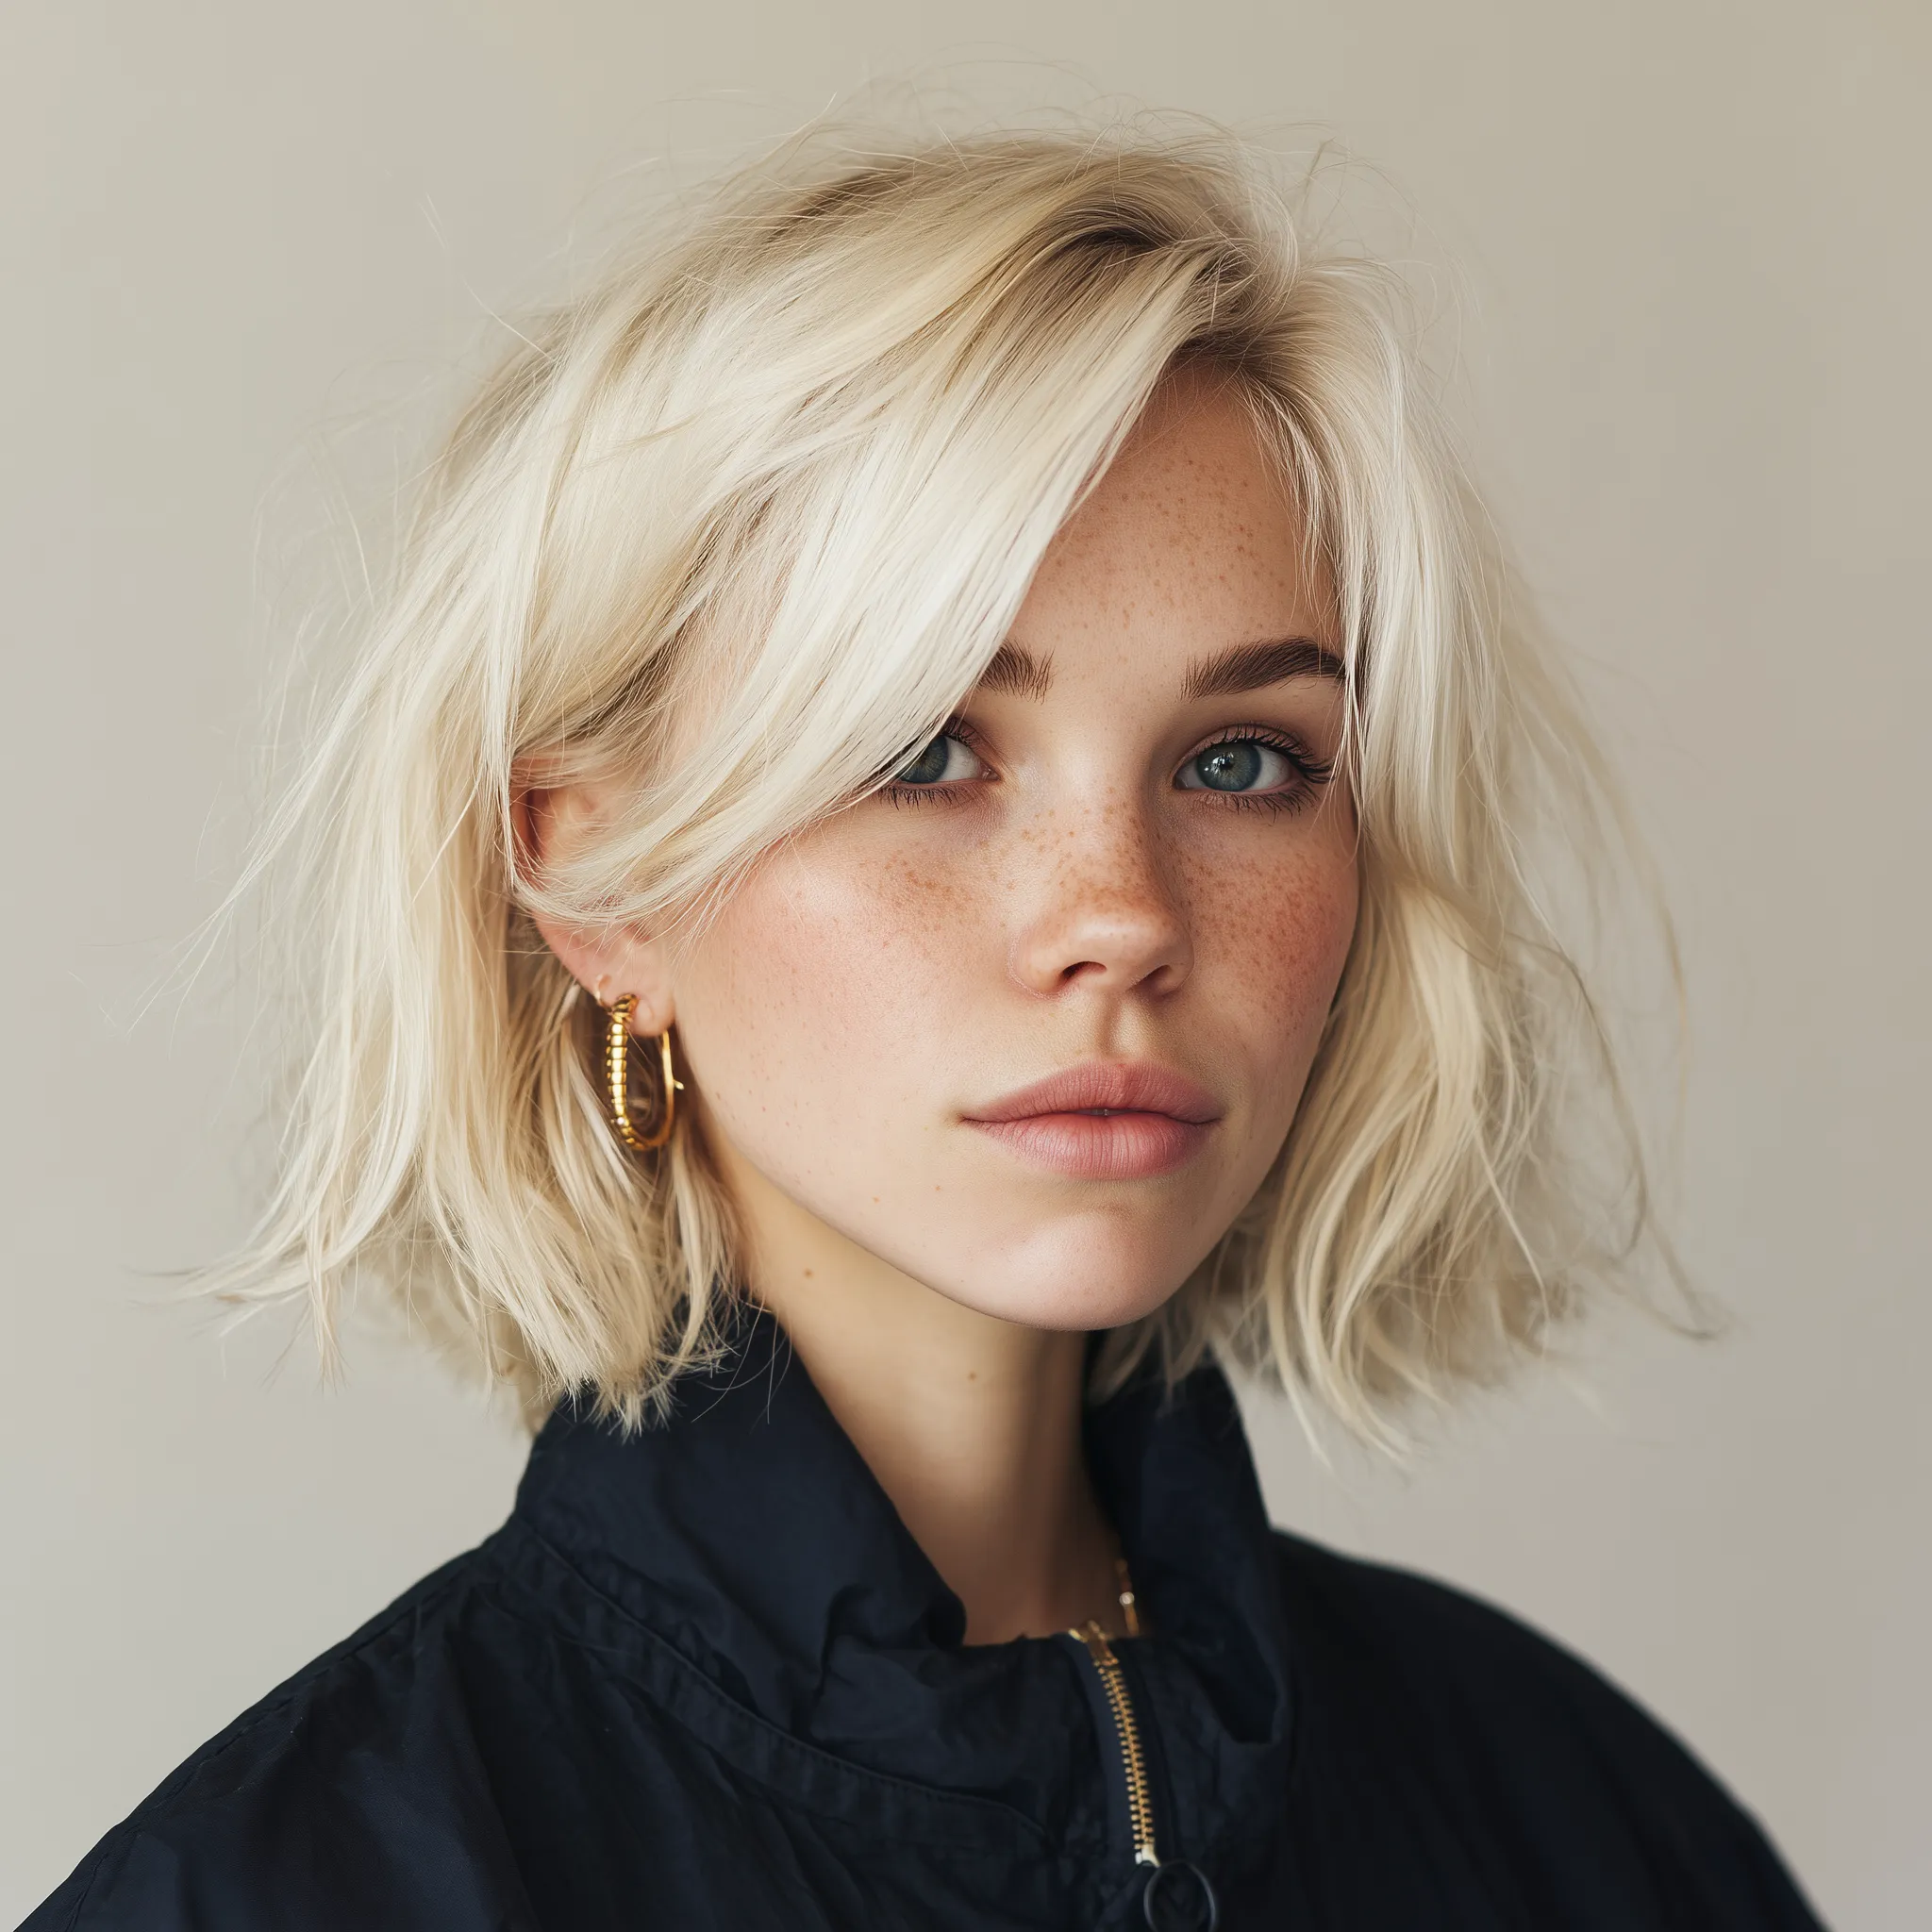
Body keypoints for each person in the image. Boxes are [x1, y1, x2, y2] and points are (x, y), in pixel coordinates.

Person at [25, 124, 1824, 1930]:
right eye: (927, 752)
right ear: (598, 886)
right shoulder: (295, 1892)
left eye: (1243, 760)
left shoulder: (1586, 1830)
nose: (1121, 911)